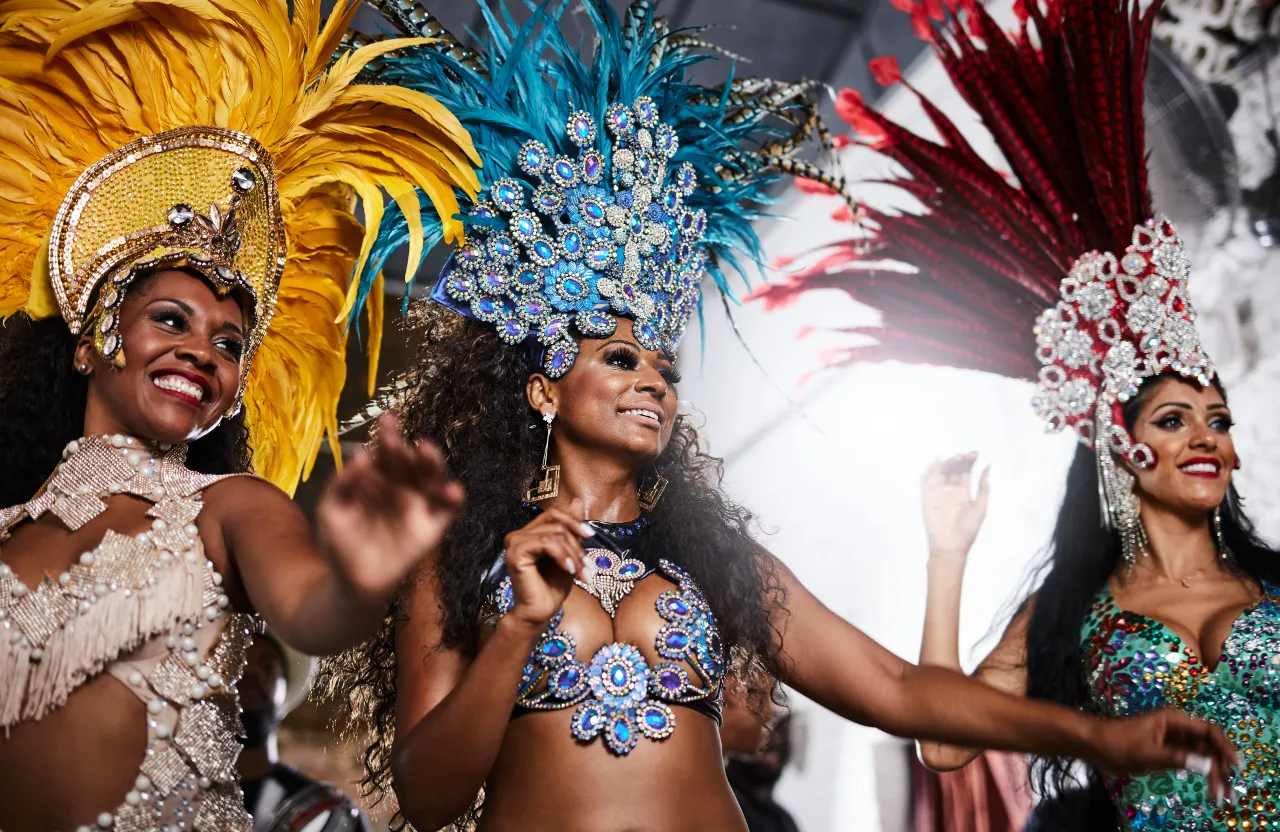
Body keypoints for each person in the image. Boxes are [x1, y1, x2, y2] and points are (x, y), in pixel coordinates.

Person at [315, 3, 1238, 831]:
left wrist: (1096, 737)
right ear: (544, 389)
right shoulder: (466, 556)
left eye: (668, 368)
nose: (656, 384)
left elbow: (900, 690)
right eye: (621, 358)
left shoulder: (714, 556)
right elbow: (429, 796)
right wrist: (516, 628)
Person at [755, 0, 1276, 828]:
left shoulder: (1272, 585)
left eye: (1215, 419)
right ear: (1121, 450)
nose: (1207, 439)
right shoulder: (1071, 608)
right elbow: (944, 746)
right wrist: (948, 556)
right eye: (1175, 421)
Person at [0, 1, 479, 829]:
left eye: (228, 343)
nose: (201, 352)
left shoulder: (230, 508)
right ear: (88, 342)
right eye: (171, 320)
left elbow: (313, 609)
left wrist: (362, 575)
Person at [239, 632, 373, 832]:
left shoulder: (332, 815)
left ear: (286, 693)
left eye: (267, 667)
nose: (251, 674)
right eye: (237, 664)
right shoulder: (181, 791)